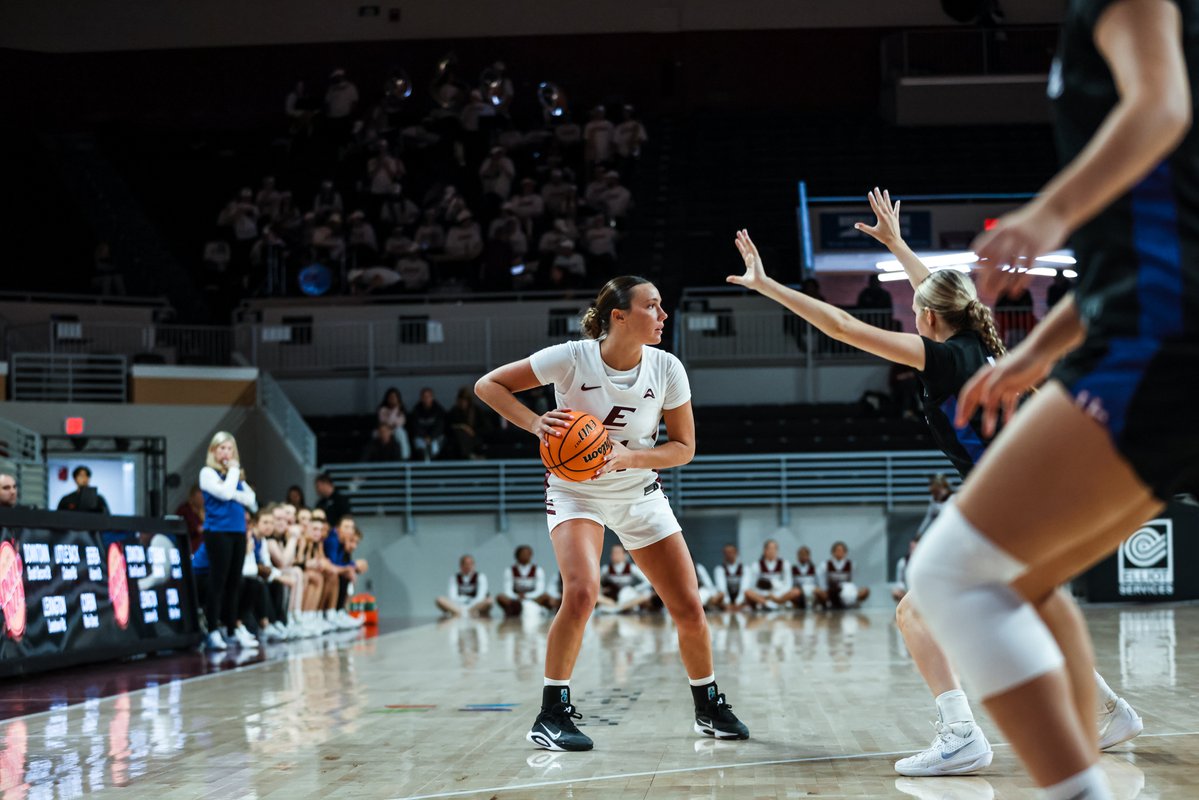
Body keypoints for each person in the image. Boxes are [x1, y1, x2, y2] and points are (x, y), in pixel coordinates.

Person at [730, 190, 1139, 779]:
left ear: (924, 319)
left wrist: (768, 286)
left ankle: (962, 736)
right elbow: (946, 296)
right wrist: (898, 246)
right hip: (1039, 496)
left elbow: (842, 325)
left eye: (914, 311)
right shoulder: (975, 338)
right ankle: (1109, 713)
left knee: (916, 613)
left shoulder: (941, 359)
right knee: (1027, 610)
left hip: (1009, 501)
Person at [907, 3, 1192, 796]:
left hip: (1160, 341)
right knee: (1013, 580)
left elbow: (1159, 110)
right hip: (1152, 329)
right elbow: (1133, 241)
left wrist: (1048, 212)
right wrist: (1031, 353)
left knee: (953, 578)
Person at [475, 275, 749, 752]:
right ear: (618, 316)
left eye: (662, 307)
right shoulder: (571, 357)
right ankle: (551, 713)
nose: (663, 316)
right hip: (575, 491)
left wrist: (631, 457)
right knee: (581, 593)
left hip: (639, 490)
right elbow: (488, 385)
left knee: (688, 605)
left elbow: (684, 449)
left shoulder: (667, 368)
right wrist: (536, 422)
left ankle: (707, 704)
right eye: (653, 306)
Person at [199, 432, 258, 651]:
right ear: (213, 451)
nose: (226, 453)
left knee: (235, 582)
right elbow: (223, 494)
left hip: (237, 531)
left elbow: (252, 501)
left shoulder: (234, 478)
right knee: (219, 580)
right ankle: (212, 628)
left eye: (229, 449)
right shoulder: (207, 473)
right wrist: (233, 474)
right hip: (218, 532)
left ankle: (231, 627)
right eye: (221, 448)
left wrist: (233, 488)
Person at [495, 545, 554, 617]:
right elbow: (508, 590)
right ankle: (515, 611)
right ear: (517, 555)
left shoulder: (538, 570)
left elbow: (540, 589)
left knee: (546, 596)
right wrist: (517, 597)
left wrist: (526, 596)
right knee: (500, 597)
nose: (525, 556)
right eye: (523, 553)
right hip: (516, 600)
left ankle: (536, 610)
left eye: (528, 554)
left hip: (534, 599)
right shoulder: (510, 570)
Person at [742, 539, 799, 611]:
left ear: (777, 550)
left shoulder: (785, 564)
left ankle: (776, 603)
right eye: (769, 548)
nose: (772, 551)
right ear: (764, 550)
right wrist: (766, 594)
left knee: (796, 591)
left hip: (780, 593)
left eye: (774, 548)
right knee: (747, 592)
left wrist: (775, 596)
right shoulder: (756, 565)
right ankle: (771, 604)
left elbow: (788, 584)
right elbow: (753, 585)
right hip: (763, 594)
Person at [595, 545, 653, 613]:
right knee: (596, 597)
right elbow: (597, 583)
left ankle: (617, 608)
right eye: (613, 553)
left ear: (625, 555)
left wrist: (635, 589)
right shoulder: (606, 569)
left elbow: (648, 581)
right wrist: (602, 591)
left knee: (647, 594)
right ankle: (618, 607)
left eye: (618, 553)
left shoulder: (631, 568)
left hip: (629, 595)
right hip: (612, 598)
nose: (615, 555)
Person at [818, 541, 870, 609]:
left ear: (845, 553)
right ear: (833, 552)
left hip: (847, 589)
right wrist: (824, 590)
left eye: (842, 551)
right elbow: (821, 580)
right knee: (818, 592)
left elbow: (854, 580)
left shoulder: (852, 565)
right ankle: (829, 604)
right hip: (831, 591)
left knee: (865, 591)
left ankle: (852, 602)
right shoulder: (824, 565)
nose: (840, 553)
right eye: (837, 550)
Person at [409, 388, 447, 461]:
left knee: (436, 447)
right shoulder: (416, 410)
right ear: (421, 398)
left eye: (428, 397)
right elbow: (415, 426)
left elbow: (440, 426)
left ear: (432, 397)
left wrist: (431, 437)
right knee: (419, 445)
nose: (426, 399)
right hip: (421, 437)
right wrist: (424, 436)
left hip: (435, 437)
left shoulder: (438, 409)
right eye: (424, 397)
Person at [711, 544, 746, 611]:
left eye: (731, 552)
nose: (729, 554)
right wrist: (727, 604)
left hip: (739, 598)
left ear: (736, 553)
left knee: (748, 592)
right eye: (726, 553)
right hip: (726, 599)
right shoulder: (719, 569)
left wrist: (738, 602)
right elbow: (722, 589)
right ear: (724, 554)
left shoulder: (745, 569)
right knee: (719, 595)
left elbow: (744, 588)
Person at [175, 485, 206, 554]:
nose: (203, 499)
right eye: (201, 496)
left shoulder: (205, 510)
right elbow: (197, 529)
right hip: (190, 546)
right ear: (192, 497)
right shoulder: (184, 510)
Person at [893, 535, 920, 602]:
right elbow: (899, 581)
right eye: (911, 548)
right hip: (907, 590)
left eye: (915, 548)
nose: (913, 551)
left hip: (920, 591)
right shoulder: (903, 562)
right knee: (896, 592)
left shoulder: (925, 562)